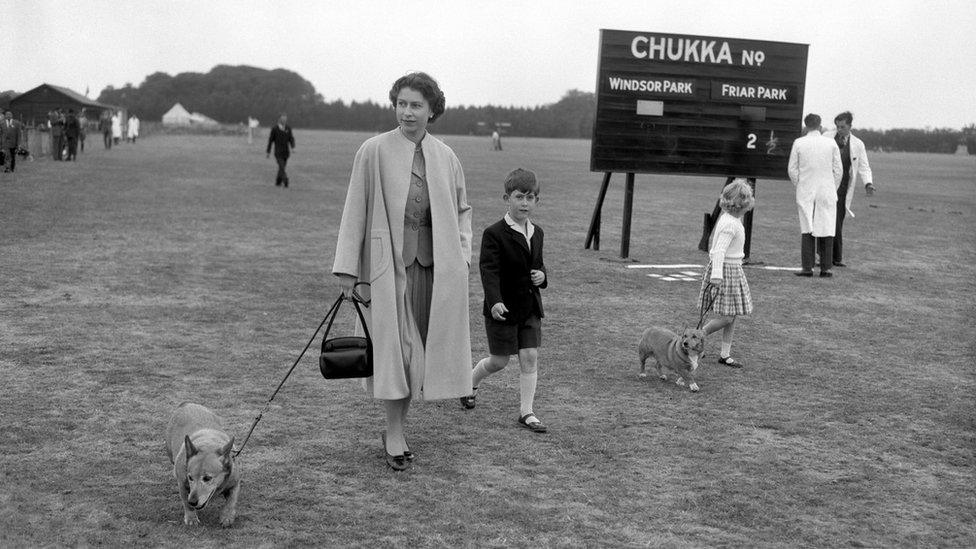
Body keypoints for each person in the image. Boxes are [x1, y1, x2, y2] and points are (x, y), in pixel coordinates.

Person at [332, 72, 473, 472]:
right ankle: (394, 432)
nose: (407, 112)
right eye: (402, 103)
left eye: (416, 105)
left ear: (432, 110)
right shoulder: (372, 151)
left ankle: (398, 427)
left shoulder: (447, 157)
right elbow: (354, 208)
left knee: (421, 356)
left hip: (435, 272)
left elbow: (463, 212)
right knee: (400, 353)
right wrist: (347, 267)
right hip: (385, 271)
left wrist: (461, 258)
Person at [460, 168, 549, 433]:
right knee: (499, 362)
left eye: (530, 197)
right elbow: (489, 271)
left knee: (530, 356)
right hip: (502, 308)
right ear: (506, 198)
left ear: (536, 201)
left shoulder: (538, 233)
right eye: (519, 196)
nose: (525, 203)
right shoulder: (494, 233)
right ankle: (470, 384)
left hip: (529, 307)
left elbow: (540, 266)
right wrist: (494, 300)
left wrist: (542, 276)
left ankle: (527, 412)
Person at [698, 179, 754, 369]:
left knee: (733, 314)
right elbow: (719, 251)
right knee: (727, 317)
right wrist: (716, 275)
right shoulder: (730, 224)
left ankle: (725, 354)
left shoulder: (732, 220)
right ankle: (698, 336)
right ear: (741, 204)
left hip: (734, 269)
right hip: (725, 272)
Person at [787, 113, 842, 278]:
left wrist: (801, 184)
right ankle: (826, 268)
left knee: (807, 227)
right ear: (820, 125)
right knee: (826, 226)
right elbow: (838, 170)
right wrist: (832, 186)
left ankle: (807, 267)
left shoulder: (799, 143)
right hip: (827, 189)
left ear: (806, 126)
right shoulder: (831, 142)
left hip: (806, 189)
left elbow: (792, 169)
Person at [822, 111, 876, 267]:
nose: (839, 129)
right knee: (825, 219)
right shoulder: (826, 137)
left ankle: (834, 257)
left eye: (843, 127)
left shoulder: (858, 144)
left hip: (843, 188)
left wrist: (868, 183)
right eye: (837, 126)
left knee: (837, 221)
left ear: (850, 126)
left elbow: (864, 166)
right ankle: (828, 257)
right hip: (826, 185)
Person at [266, 114, 295, 187]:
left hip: (286, 152)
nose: (284, 120)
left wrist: (293, 147)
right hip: (278, 152)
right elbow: (270, 140)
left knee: (282, 167)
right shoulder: (275, 129)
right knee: (282, 166)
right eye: (283, 119)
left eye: (285, 119)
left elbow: (291, 138)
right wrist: (268, 152)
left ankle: (278, 182)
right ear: (280, 120)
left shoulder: (288, 128)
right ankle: (285, 180)